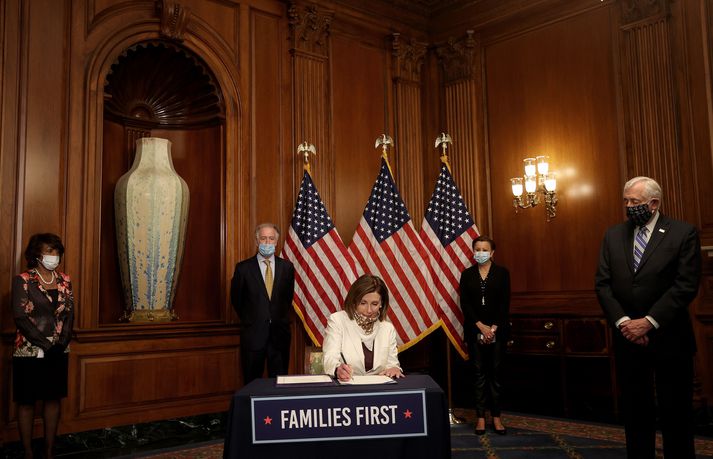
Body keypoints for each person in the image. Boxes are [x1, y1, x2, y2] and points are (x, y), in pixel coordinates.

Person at [595, 176, 701, 459]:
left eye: (635, 202)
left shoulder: (683, 233)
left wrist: (649, 321)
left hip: (670, 338)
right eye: (626, 201)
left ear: (654, 203)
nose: (629, 206)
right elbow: (603, 284)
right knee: (635, 410)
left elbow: (686, 285)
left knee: (675, 411)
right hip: (628, 339)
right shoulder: (613, 235)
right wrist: (624, 323)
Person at [12, 233, 74, 459]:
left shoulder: (64, 280)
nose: (54, 256)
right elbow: (20, 317)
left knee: (52, 398)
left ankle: (49, 451)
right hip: (29, 350)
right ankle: (28, 452)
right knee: (27, 401)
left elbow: (69, 315)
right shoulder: (23, 280)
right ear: (37, 254)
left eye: (57, 251)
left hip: (59, 349)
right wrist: (45, 346)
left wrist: (61, 343)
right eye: (49, 251)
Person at [231, 223, 295, 385]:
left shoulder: (287, 267)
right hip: (253, 336)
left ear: (276, 242)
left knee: (280, 383)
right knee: (252, 383)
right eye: (263, 238)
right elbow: (236, 300)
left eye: (271, 238)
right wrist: (253, 319)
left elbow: (287, 299)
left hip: (279, 336)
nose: (267, 242)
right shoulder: (243, 269)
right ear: (256, 240)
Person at [459, 235, 510, 436]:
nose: (480, 252)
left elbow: (504, 303)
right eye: (477, 249)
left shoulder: (502, 273)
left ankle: (496, 417)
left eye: (484, 249)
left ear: (492, 253)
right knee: (478, 374)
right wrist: (480, 326)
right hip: (475, 330)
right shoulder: (467, 274)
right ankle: (480, 418)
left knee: (496, 374)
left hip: (498, 329)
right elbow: (465, 304)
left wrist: (493, 328)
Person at [323, 274, 404, 381]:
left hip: (379, 390)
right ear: (354, 301)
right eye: (363, 303)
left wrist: (394, 368)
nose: (369, 310)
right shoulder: (337, 321)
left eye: (374, 304)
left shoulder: (387, 328)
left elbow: (392, 364)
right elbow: (330, 358)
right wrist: (337, 369)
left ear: (381, 303)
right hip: (346, 387)